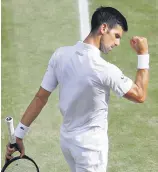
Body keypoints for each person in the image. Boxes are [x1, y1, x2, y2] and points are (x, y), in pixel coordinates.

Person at [6, 6, 149, 172]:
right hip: (90, 151)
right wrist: (143, 54)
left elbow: (40, 98)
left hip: (67, 143)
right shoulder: (104, 69)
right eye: (116, 36)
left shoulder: (60, 55)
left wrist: (19, 134)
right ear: (103, 28)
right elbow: (140, 94)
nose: (117, 43)